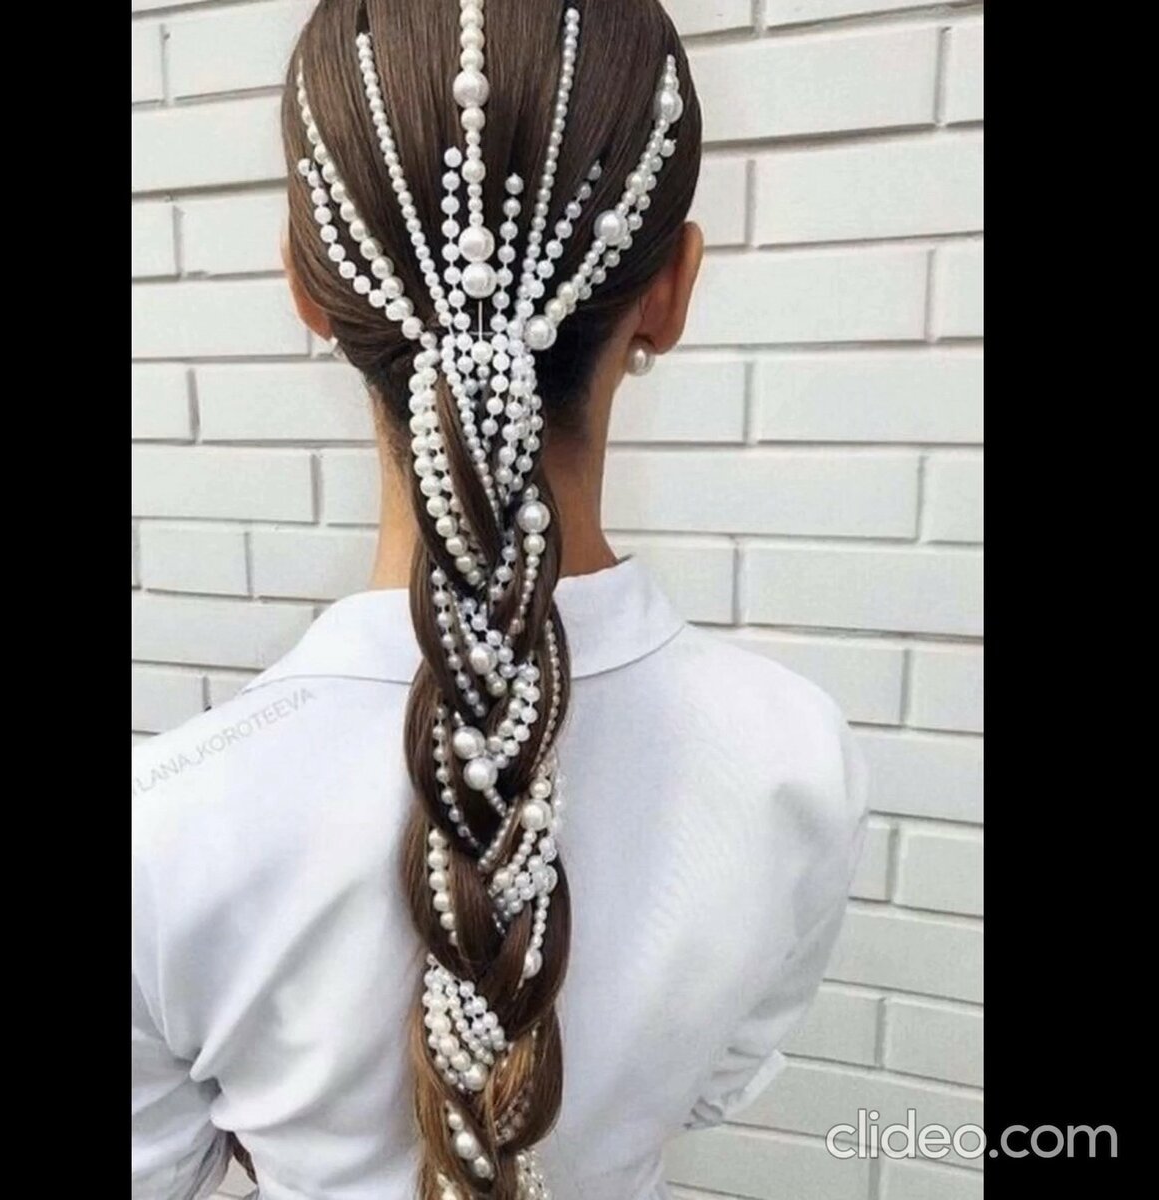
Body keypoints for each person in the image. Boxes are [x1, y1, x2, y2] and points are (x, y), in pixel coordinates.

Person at [131, 2, 869, 1198]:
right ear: (672, 290)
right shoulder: (796, 758)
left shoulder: (166, 830)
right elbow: (713, 1088)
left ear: (307, 289)